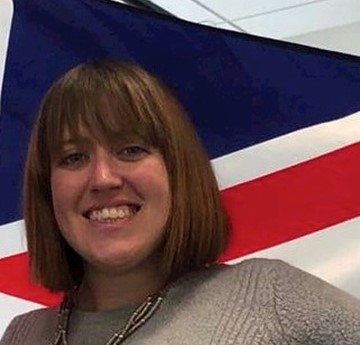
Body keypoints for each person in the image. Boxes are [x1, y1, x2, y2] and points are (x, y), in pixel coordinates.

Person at [1, 60, 359, 345]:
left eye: (131, 149)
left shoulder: (269, 296)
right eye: (73, 157)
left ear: (178, 172)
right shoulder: (23, 335)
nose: (103, 178)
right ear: (47, 190)